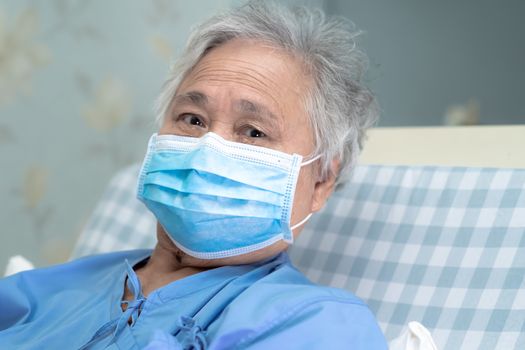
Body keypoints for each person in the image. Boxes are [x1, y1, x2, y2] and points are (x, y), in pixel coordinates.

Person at [0, 1, 386, 349]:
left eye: (253, 131)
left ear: (321, 182)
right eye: (193, 119)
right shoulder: (48, 289)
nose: (208, 148)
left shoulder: (318, 324)